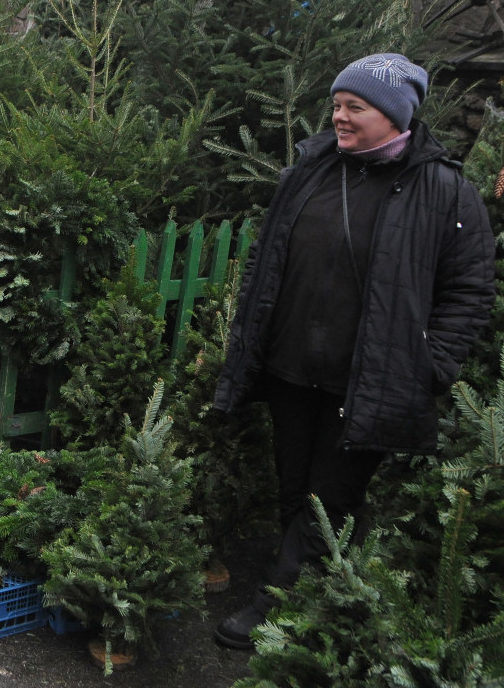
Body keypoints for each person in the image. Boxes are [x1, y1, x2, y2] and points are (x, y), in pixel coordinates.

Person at [211, 52, 495, 648]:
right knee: (294, 484)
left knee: (330, 495)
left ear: (394, 115)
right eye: (337, 105)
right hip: (290, 368)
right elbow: (268, 255)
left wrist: (430, 365)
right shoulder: (309, 172)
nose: (338, 117)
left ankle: (278, 603)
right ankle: (314, 588)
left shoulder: (443, 189)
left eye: (354, 107)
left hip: (367, 380)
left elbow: (469, 290)